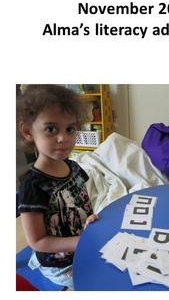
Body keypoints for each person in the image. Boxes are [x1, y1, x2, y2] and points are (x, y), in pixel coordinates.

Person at [17, 85, 98, 289]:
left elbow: (82, 204)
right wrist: (80, 242)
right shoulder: (33, 186)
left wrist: (90, 220)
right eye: (51, 129)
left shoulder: (74, 167)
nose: (63, 138)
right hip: (61, 265)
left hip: (84, 244)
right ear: (28, 131)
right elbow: (38, 242)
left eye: (70, 128)